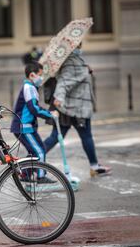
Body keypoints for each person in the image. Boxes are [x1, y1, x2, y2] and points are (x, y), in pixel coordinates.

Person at [43, 43, 112, 177]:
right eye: (79, 43)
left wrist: (85, 69)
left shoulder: (70, 59)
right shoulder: (72, 59)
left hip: (68, 107)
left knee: (57, 136)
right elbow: (65, 81)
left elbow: (71, 76)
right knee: (85, 136)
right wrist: (59, 97)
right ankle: (94, 166)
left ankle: (33, 159)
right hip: (75, 107)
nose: (81, 45)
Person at [10, 62, 58, 183]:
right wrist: (50, 114)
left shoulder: (31, 87)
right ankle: (41, 177)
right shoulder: (29, 88)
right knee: (40, 151)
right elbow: (34, 109)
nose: (41, 78)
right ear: (32, 75)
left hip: (26, 127)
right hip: (24, 127)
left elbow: (34, 106)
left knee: (35, 151)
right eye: (40, 75)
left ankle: (25, 174)